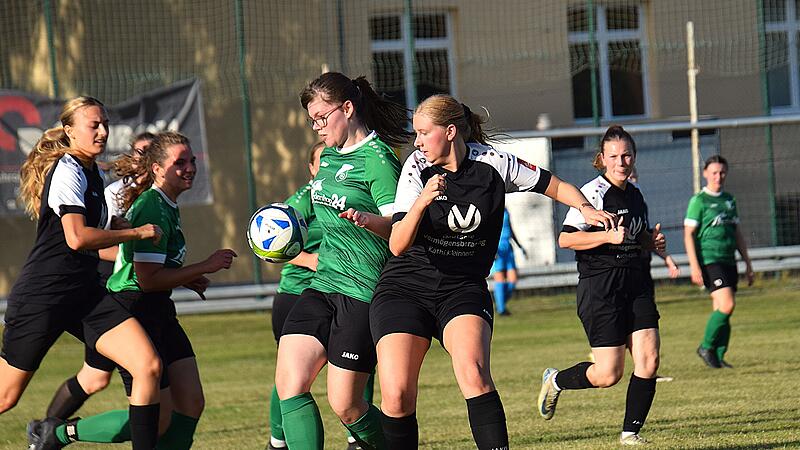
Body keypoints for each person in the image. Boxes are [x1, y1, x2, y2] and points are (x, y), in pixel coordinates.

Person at [369, 94, 615, 450]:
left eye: (424, 133)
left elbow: (554, 185)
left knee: (474, 373)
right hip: (406, 287)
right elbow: (397, 244)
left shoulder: (494, 164)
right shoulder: (415, 167)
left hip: (461, 288)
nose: (417, 141)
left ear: (450, 131)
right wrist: (423, 200)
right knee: (397, 394)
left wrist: (585, 208)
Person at [28, 131, 237, 450]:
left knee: (192, 402)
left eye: (191, 160)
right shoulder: (152, 206)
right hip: (134, 310)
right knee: (158, 417)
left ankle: (52, 431)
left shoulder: (167, 204)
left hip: (159, 309)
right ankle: (56, 434)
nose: (189, 168)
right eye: (179, 162)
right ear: (157, 168)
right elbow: (146, 280)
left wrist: (185, 277)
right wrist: (203, 266)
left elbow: (155, 271)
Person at [0, 97, 161, 418]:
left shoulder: (92, 173)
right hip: (43, 296)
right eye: (93, 125)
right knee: (5, 398)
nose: (102, 131)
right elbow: (77, 238)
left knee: (148, 365)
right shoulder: (68, 171)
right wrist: (137, 233)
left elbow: (91, 232)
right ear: (69, 131)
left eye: (105, 124)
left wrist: (116, 226)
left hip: (85, 293)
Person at [274, 72, 409, 449]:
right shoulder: (329, 157)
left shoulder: (379, 159)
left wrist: (370, 221)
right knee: (290, 382)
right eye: (312, 120)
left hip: (362, 292)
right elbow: (307, 211)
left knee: (346, 405)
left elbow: (401, 233)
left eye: (321, 117)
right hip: (322, 286)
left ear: (347, 109)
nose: (317, 127)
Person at [537, 125, 666, 446]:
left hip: (635, 285)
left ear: (634, 157)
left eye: (626, 155)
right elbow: (566, 238)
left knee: (649, 360)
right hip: (601, 289)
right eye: (614, 156)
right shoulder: (592, 193)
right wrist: (606, 235)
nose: (621, 161)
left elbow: (637, 238)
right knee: (608, 374)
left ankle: (630, 433)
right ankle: (556, 381)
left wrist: (653, 242)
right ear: (602, 159)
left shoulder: (635, 194)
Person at [684, 155, 753, 369]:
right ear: (705, 173)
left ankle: (718, 355)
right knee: (727, 304)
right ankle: (705, 347)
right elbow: (688, 234)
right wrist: (694, 266)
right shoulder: (699, 201)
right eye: (714, 172)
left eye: (722, 172)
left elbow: (738, 233)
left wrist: (748, 264)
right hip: (710, 259)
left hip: (728, 259)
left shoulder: (729, 200)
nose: (718, 176)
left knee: (723, 308)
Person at [491, 208, 527, 316]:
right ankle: (501, 309)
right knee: (500, 278)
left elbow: (510, 229)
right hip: (498, 248)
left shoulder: (505, 209)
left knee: (513, 279)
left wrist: (519, 246)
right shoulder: (491, 209)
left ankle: (500, 303)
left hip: (508, 247)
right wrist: (492, 249)